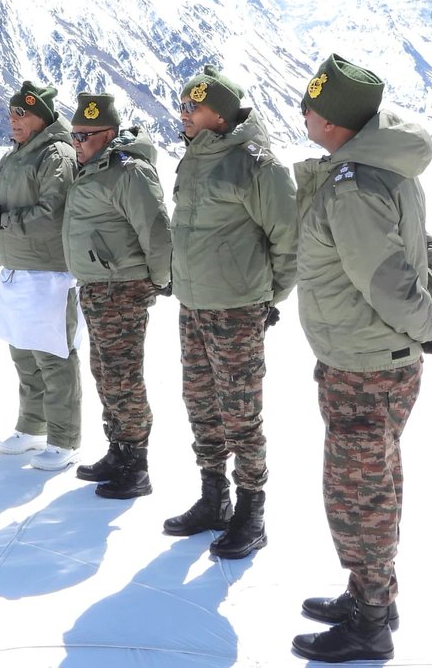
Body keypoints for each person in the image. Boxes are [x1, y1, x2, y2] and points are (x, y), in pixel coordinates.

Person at [289, 54, 432, 663]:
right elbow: (422, 250)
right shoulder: (382, 170)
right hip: (365, 356)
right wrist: (427, 319)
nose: (305, 114)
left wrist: (429, 327)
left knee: (358, 492)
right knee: (373, 480)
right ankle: (373, 595)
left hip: (366, 363)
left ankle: (369, 623)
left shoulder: (355, 189)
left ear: (335, 122)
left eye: (312, 107)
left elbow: (389, 280)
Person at [162, 65, 298, 560]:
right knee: (200, 403)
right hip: (193, 305)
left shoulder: (257, 166)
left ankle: (251, 510)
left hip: (236, 309)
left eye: (192, 108)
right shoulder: (192, 159)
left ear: (219, 113)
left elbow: (290, 242)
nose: (183, 115)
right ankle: (213, 496)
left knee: (241, 412)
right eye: (183, 107)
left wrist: (266, 297)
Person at [61, 93, 172, 499]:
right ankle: (118, 449)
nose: (77, 142)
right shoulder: (90, 169)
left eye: (85, 135)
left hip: (122, 289)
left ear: (108, 134)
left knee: (123, 377)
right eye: (73, 134)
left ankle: (137, 464)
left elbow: (157, 231)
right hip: (96, 287)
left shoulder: (129, 172)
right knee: (105, 373)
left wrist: (156, 281)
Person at [0, 80, 81, 471]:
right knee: (22, 352)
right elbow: (0, 195)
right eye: (12, 113)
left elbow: (52, 214)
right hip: (16, 268)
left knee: (53, 357)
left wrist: (2, 219)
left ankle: (64, 438)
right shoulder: (16, 154)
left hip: (48, 271)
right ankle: (32, 428)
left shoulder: (56, 154)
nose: (13, 120)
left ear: (44, 117)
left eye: (23, 114)